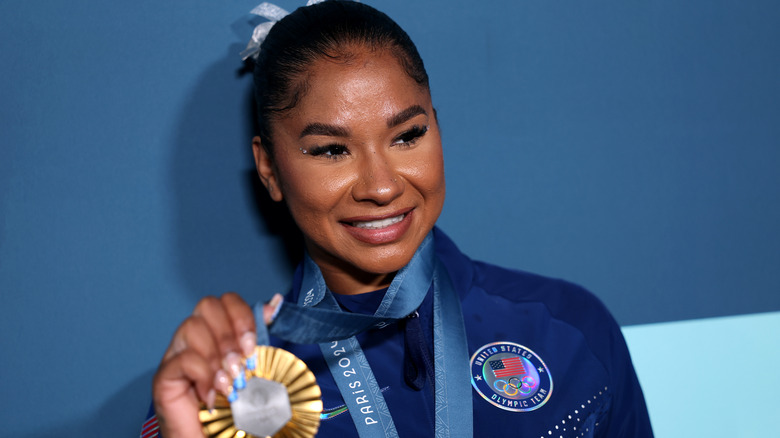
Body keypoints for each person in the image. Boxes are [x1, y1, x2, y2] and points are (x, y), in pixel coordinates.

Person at [145, 1, 654, 437]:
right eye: (330, 150)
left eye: (407, 136)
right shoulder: (228, 388)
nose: (382, 186)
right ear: (270, 169)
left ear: (437, 128)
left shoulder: (566, 328)